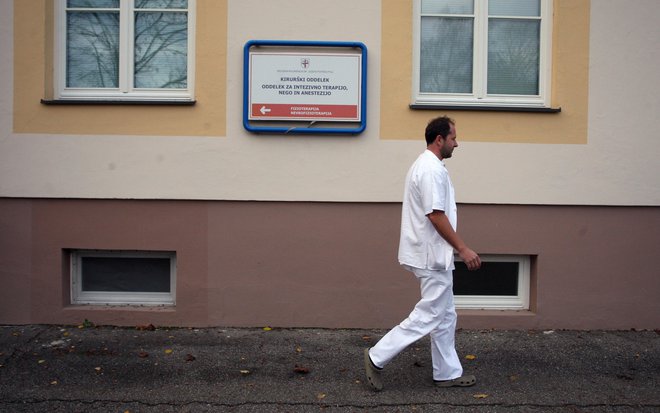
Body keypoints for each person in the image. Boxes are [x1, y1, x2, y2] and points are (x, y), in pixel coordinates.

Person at [364, 116, 481, 391]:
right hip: (431, 255)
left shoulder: (430, 166)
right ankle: (376, 356)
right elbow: (435, 215)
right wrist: (462, 248)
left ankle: (447, 372)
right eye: (453, 138)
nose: (457, 143)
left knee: (445, 314)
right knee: (430, 313)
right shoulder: (430, 170)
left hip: (434, 253)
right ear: (439, 139)